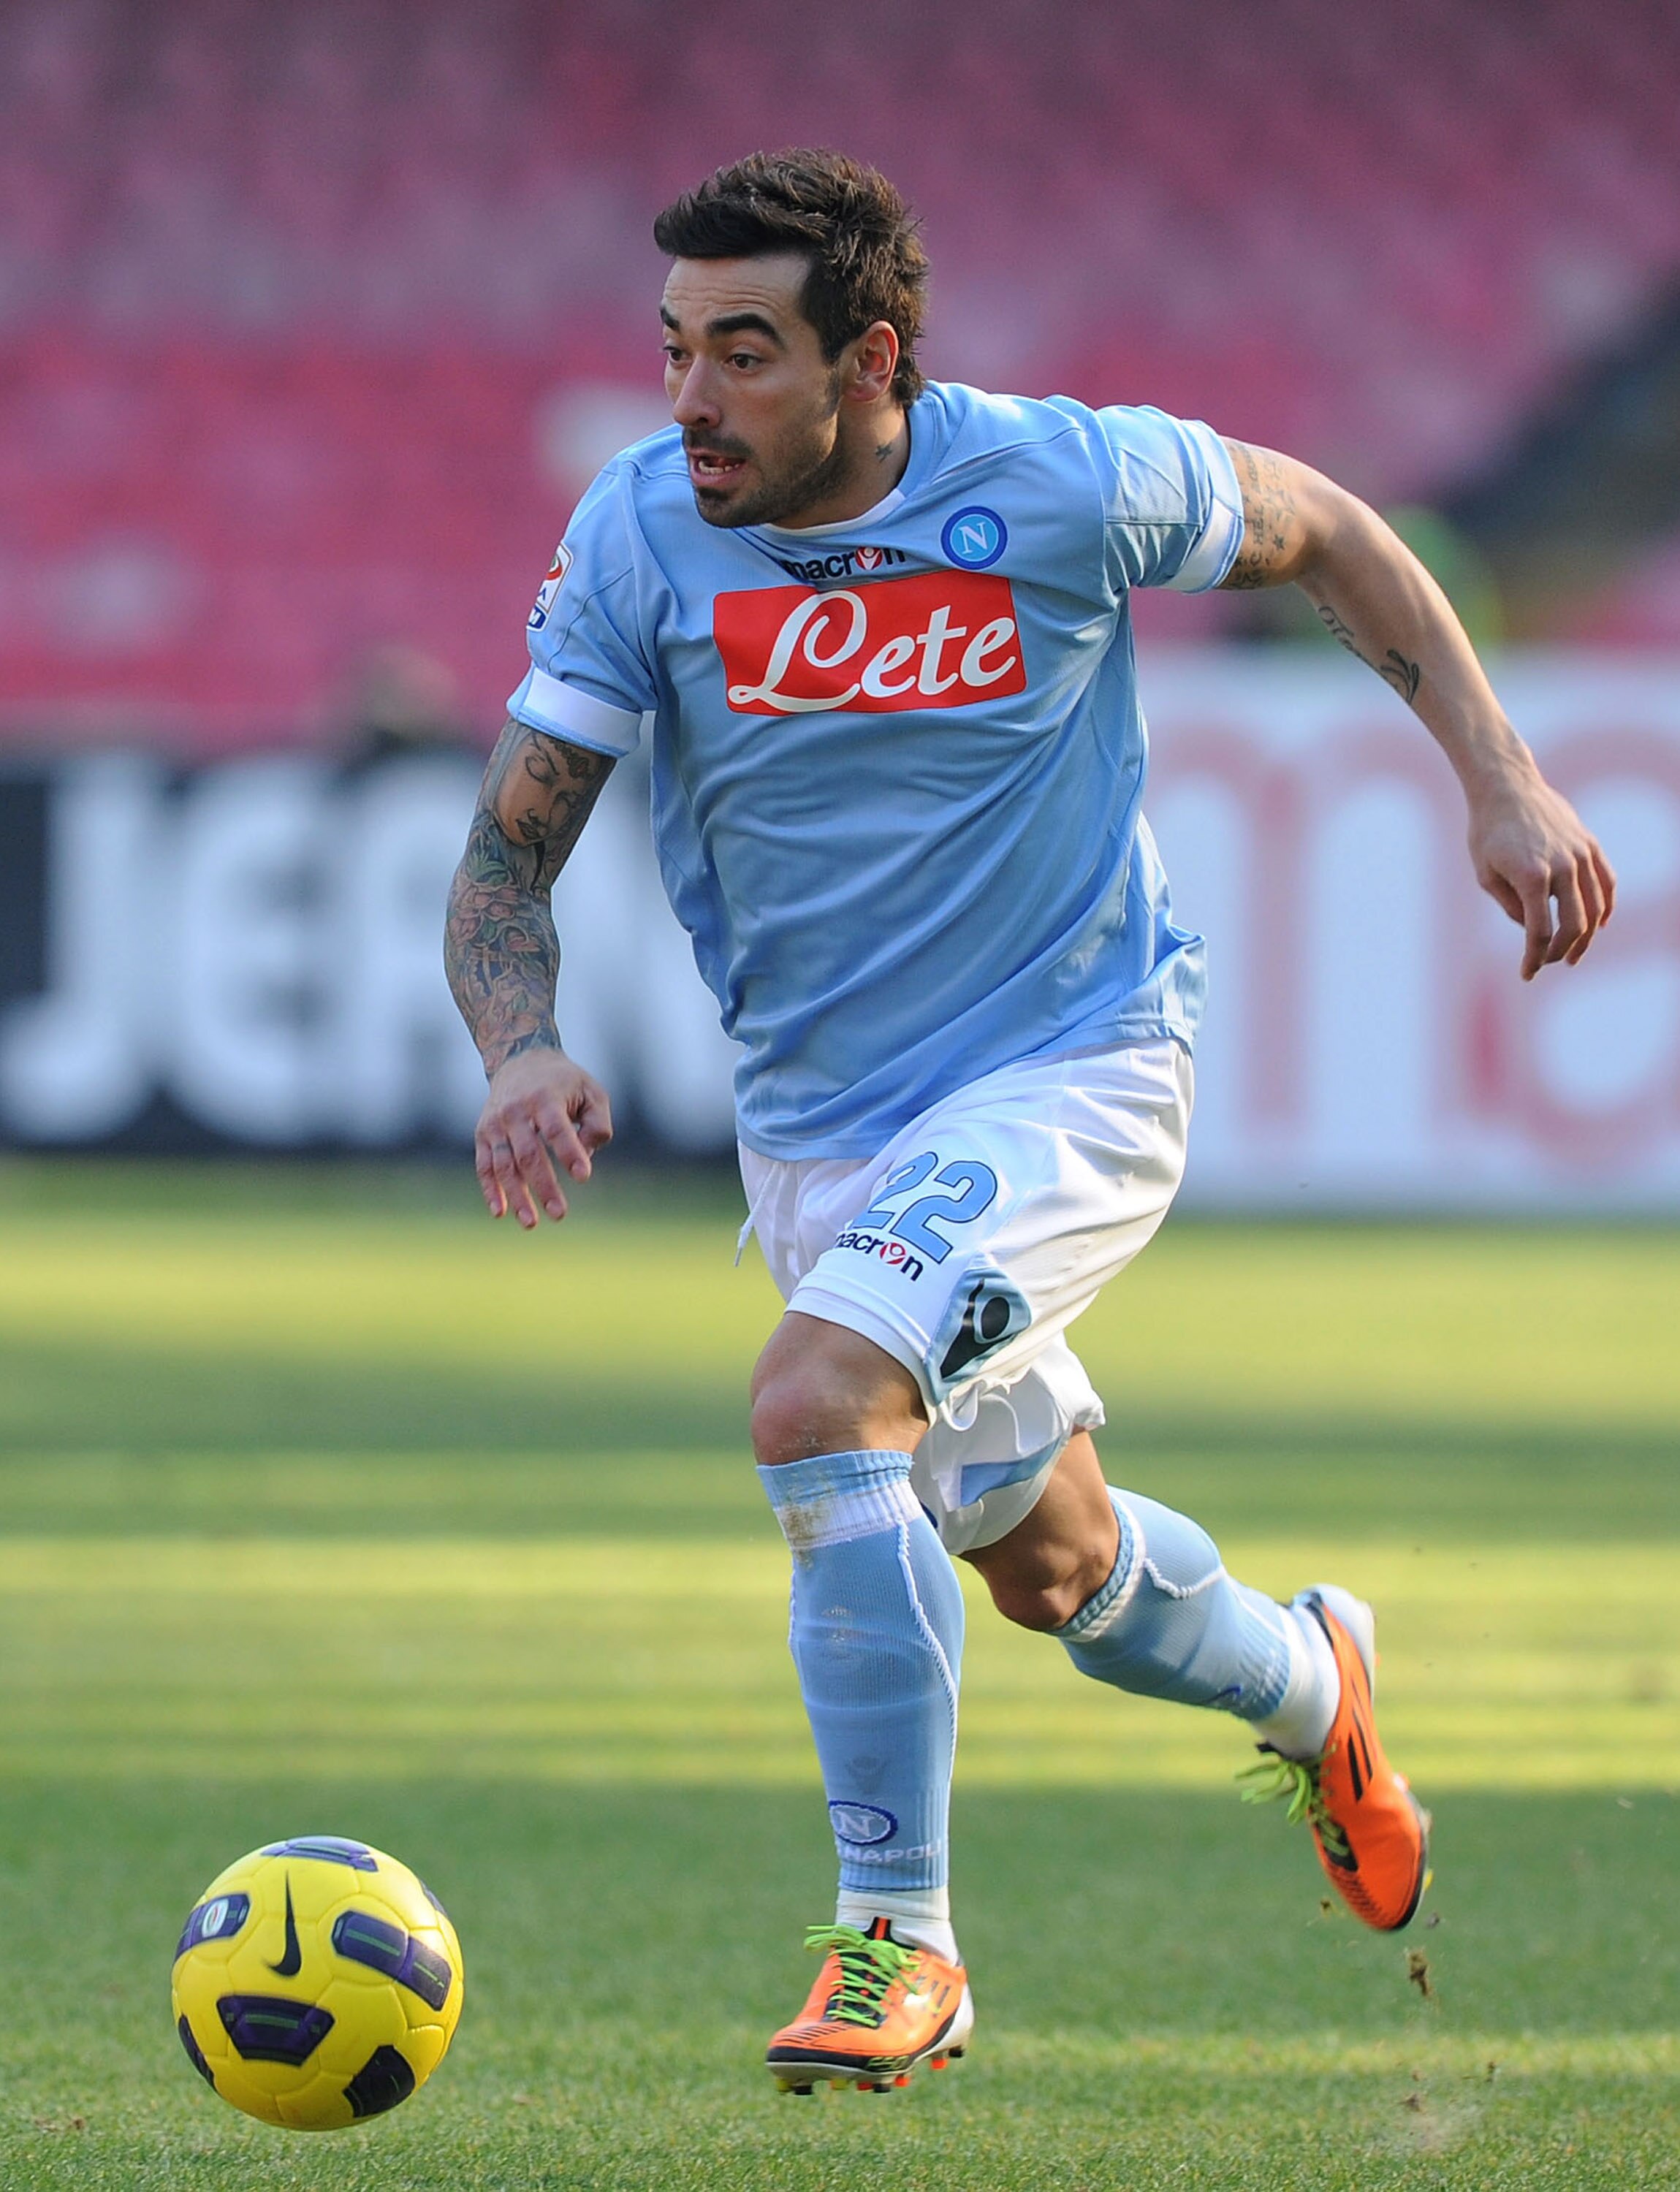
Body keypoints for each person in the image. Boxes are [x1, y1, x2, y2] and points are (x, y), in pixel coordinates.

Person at [444, 150, 1614, 2095]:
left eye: (742, 353)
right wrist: (515, 1043)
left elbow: (1328, 526)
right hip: (824, 1134)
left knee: (820, 1409)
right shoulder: (644, 536)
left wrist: (1497, 778)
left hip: (1072, 1064)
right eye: (672, 351)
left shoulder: (1062, 480)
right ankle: (1317, 1686)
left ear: (867, 362)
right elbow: (505, 857)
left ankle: (895, 1945)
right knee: (1052, 1571)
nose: (689, 400)